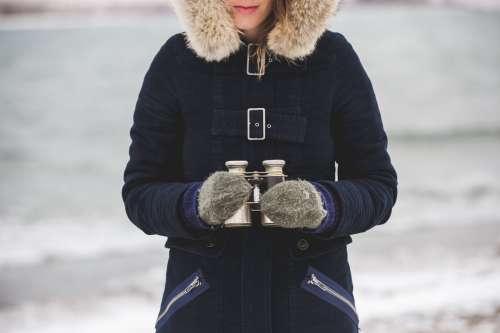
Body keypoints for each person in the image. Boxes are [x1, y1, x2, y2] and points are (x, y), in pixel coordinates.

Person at [121, 0, 398, 332]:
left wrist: (320, 205)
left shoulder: (333, 58)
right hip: (200, 309)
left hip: (314, 309)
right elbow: (140, 193)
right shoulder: (176, 61)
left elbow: (378, 186)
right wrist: (196, 204)